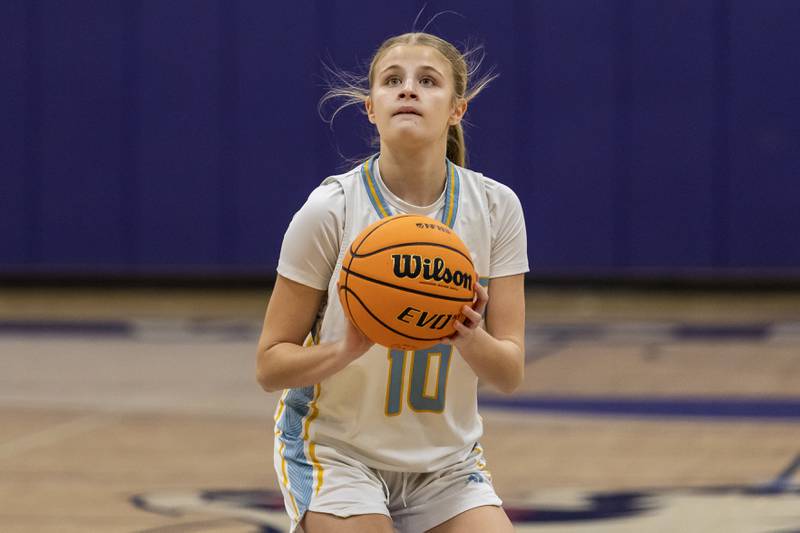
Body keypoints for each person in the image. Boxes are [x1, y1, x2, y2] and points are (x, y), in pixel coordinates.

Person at [256, 31, 528, 533]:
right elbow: (270, 365)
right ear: (370, 109)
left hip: (446, 464)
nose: (408, 90)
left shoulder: (495, 208)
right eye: (392, 81)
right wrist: (344, 349)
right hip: (336, 451)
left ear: (456, 110)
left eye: (427, 81)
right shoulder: (330, 210)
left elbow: (509, 373)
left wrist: (470, 334)